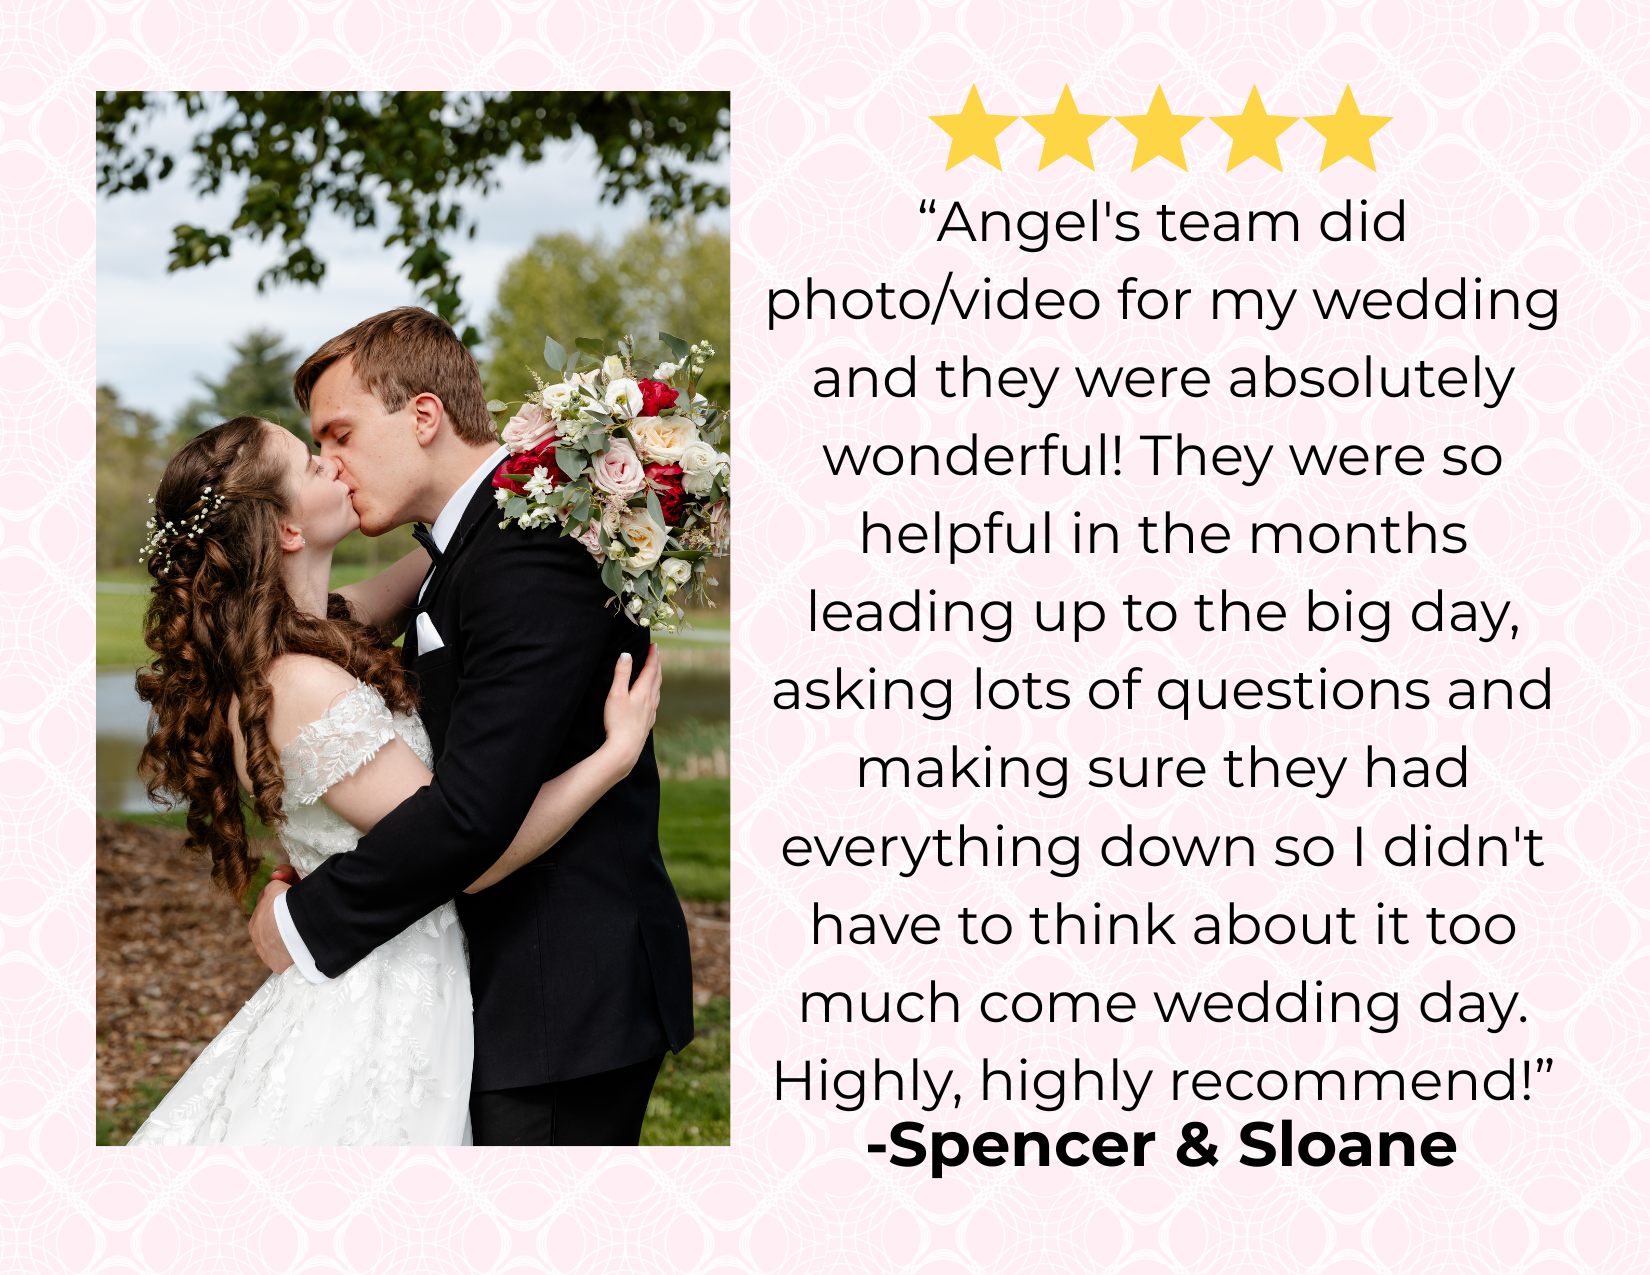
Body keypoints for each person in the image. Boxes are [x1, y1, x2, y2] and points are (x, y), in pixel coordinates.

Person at [127, 414, 663, 1145]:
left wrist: (533, 463)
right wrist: (613, 757)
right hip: (383, 993)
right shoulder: (301, 684)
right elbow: (468, 850)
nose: (333, 464)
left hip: (401, 964)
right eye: (312, 464)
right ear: (287, 529)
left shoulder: (314, 631)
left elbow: (449, 544)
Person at [245, 308, 695, 1146]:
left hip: (560, 995)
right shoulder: (477, 538)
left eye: (338, 433)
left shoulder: (530, 552)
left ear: (422, 416)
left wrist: (305, 921)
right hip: (504, 991)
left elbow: (469, 815)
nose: (331, 466)